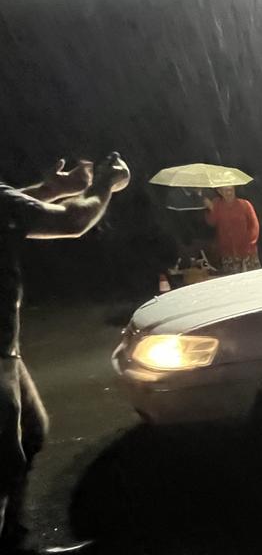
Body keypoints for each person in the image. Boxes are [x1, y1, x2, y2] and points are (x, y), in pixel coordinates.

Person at [1, 155, 131, 551]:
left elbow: (18, 207)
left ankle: (16, 540)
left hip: (6, 350)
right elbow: (73, 222)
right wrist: (106, 183)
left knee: (32, 429)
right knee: (4, 460)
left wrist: (53, 190)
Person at [203, 185, 260, 273]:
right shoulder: (217, 204)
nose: (229, 193)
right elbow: (211, 222)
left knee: (253, 276)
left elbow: (254, 226)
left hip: (247, 249)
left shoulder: (245, 204)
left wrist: (249, 244)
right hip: (228, 251)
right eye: (225, 191)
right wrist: (211, 209)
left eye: (231, 190)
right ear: (219, 192)